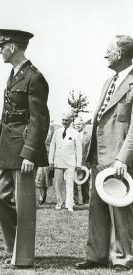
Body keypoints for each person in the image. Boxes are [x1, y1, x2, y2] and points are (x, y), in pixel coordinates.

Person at [0, 29, 49, 269]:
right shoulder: (13, 75)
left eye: (2, 47)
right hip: (5, 145)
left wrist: (30, 153)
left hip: (23, 146)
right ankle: (12, 248)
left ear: (13, 47)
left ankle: (22, 256)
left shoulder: (35, 77)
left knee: (24, 203)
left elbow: (39, 119)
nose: (0, 51)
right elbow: (5, 115)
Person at [76, 35, 133, 272]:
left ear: (120, 54)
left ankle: (124, 258)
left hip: (119, 156)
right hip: (98, 156)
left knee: (121, 209)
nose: (105, 55)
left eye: (109, 51)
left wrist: (123, 157)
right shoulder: (108, 81)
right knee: (96, 208)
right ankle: (96, 256)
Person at [49, 112, 82, 212]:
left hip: (70, 163)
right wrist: (51, 161)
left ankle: (69, 204)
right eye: (63, 120)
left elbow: (79, 150)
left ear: (71, 121)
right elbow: (52, 147)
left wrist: (78, 164)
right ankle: (59, 202)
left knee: (69, 184)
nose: (64, 122)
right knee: (58, 184)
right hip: (58, 162)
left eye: (66, 120)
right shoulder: (57, 132)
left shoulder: (75, 133)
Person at [73, 117, 91, 205]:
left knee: (85, 182)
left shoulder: (89, 135)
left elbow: (90, 150)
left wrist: (90, 165)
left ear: (83, 125)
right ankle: (74, 200)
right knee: (73, 181)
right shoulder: (72, 135)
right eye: (76, 124)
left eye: (79, 124)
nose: (77, 126)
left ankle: (86, 200)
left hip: (85, 162)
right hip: (73, 162)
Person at [35, 125, 55, 205]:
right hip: (39, 154)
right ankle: (40, 195)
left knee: (46, 177)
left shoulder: (51, 128)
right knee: (39, 175)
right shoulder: (38, 127)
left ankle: (45, 192)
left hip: (48, 155)